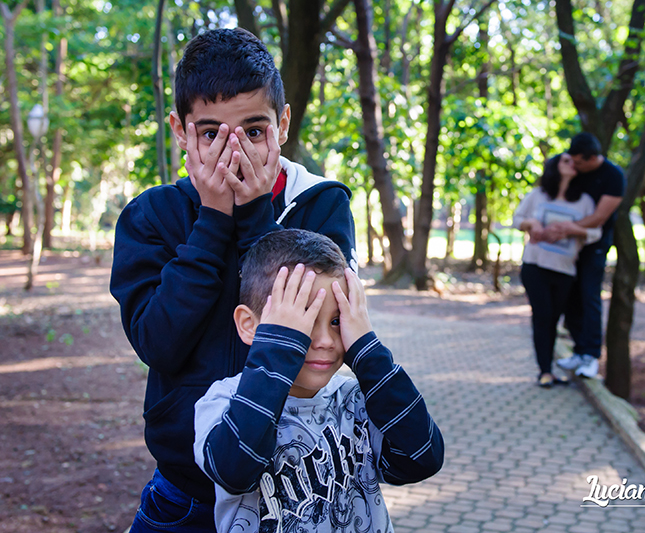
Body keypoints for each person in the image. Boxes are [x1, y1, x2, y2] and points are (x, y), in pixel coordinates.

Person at [109, 28, 357, 531]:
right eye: (210, 134)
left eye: (254, 130)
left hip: (297, 489)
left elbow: (318, 331)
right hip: (184, 496)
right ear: (180, 131)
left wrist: (255, 217)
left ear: (282, 123)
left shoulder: (321, 205)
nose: (234, 152)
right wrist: (213, 220)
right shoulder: (151, 217)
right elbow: (159, 342)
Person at [194, 229, 445, 532]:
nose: (325, 340)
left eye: (337, 321)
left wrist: (366, 350)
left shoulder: (355, 400)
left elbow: (423, 457)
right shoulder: (223, 402)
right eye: (302, 320)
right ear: (250, 325)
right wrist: (281, 347)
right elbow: (234, 469)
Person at [514, 153, 601, 387]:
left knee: (553, 319)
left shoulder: (583, 201)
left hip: (565, 271)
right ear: (554, 167)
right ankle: (544, 371)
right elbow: (517, 219)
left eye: (574, 160)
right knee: (542, 317)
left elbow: (596, 233)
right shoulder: (537, 195)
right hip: (535, 266)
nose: (572, 163)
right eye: (565, 160)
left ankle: (549, 370)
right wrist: (531, 224)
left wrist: (573, 229)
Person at [550, 132, 625, 379]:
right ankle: (579, 350)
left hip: (593, 245)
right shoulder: (573, 168)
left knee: (588, 294)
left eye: (579, 162)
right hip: (566, 244)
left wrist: (568, 228)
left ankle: (591, 355)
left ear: (592, 158)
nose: (575, 166)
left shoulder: (613, 177)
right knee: (569, 295)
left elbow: (599, 218)